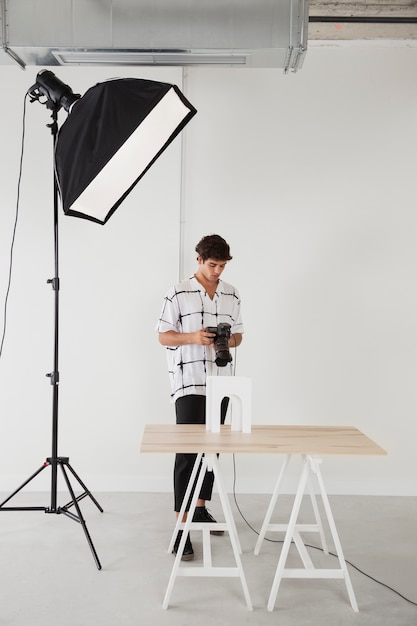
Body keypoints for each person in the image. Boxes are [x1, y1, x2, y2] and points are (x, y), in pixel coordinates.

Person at [156, 234, 243, 560]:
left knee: (213, 452)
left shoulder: (232, 294)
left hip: (220, 383)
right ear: (199, 260)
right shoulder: (177, 292)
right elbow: (163, 335)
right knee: (187, 454)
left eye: (222, 265)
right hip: (188, 381)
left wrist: (225, 339)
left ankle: (201, 508)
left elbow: (239, 336)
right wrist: (194, 337)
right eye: (212, 265)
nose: (217, 271)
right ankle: (181, 528)